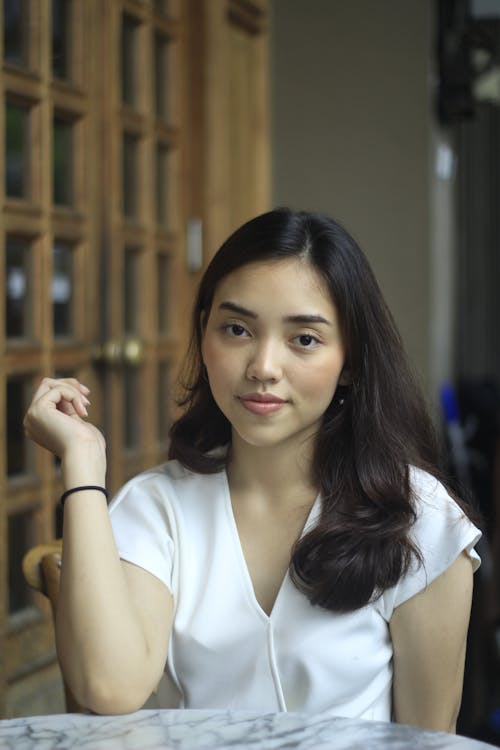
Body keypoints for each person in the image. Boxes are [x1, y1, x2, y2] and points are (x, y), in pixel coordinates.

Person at [24, 208, 481, 731]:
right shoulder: (157, 509)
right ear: (205, 333)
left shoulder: (419, 520)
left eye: (303, 339)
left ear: (350, 360)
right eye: (237, 329)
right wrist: (82, 461)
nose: (263, 367)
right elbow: (109, 686)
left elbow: (427, 740)